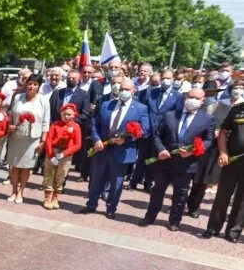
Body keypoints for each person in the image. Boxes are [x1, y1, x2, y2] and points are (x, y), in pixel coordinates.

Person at [139, 88, 213, 231]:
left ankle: (174, 221)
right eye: (190, 97)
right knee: (157, 191)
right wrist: (161, 149)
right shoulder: (170, 115)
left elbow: (209, 141)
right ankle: (150, 216)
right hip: (165, 161)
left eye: (197, 98)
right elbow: (157, 135)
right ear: (185, 97)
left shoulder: (207, 119)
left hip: (186, 164)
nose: (193, 100)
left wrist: (192, 151)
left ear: (203, 101)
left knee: (180, 194)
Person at [81, 78, 150, 219]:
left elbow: (145, 130)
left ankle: (111, 208)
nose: (123, 92)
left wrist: (126, 139)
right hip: (102, 148)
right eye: (121, 89)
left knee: (116, 182)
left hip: (122, 151)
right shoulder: (107, 104)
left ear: (133, 91)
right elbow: (95, 123)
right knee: (96, 179)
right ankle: (91, 204)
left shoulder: (141, 108)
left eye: (127, 89)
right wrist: (96, 139)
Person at [188, 80, 238, 218]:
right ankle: (188, 204)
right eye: (236, 87)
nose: (238, 90)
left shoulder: (234, 108)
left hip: (222, 149)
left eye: (241, 88)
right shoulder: (211, 105)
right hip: (203, 145)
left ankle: (197, 207)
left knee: (209, 179)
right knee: (196, 177)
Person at [203, 80, 244, 243]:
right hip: (231, 160)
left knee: (242, 200)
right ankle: (213, 227)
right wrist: (223, 151)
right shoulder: (237, 109)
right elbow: (223, 132)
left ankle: (233, 232)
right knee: (222, 195)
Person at [131, 69, 182, 192]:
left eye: (168, 78)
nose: (165, 80)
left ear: (173, 79)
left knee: (154, 159)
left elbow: (176, 116)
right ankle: (134, 181)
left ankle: (148, 183)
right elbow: (142, 109)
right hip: (147, 131)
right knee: (141, 157)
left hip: (161, 134)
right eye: (164, 78)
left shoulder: (178, 96)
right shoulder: (152, 92)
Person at [5, 73, 50, 203]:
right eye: (30, 83)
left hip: (32, 139)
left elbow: (46, 122)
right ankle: (13, 191)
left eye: (35, 84)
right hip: (16, 137)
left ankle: (20, 192)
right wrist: (10, 125)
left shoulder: (44, 100)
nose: (31, 86)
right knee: (14, 166)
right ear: (26, 84)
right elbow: (11, 114)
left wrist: (43, 141)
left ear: (39, 86)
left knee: (25, 167)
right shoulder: (18, 97)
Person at [42, 104, 83, 209]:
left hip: (66, 154)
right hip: (53, 152)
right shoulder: (55, 125)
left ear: (74, 115)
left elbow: (77, 144)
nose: (66, 116)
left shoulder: (76, 127)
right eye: (64, 114)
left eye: (69, 114)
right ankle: (48, 197)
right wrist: (51, 156)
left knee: (61, 174)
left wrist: (63, 154)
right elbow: (48, 139)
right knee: (49, 173)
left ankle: (55, 197)